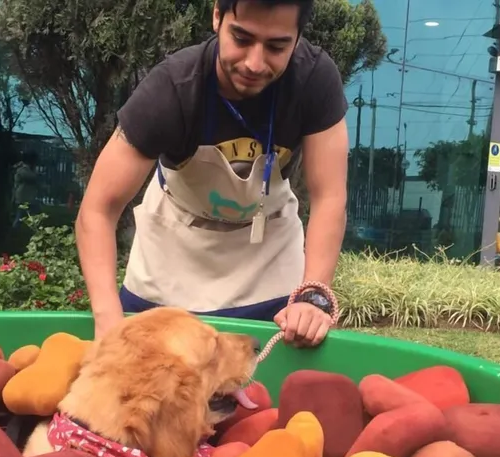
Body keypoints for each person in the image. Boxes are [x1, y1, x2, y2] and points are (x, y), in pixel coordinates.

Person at [75, 0, 349, 347]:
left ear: (297, 38)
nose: (254, 63)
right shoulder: (173, 87)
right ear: (217, 15)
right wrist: (107, 318)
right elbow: (98, 209)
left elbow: (329, 197)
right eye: (242, 38)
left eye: (277, 46)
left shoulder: (313, 80)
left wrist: (313, 296)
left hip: (267, 252)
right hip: (172, 249)